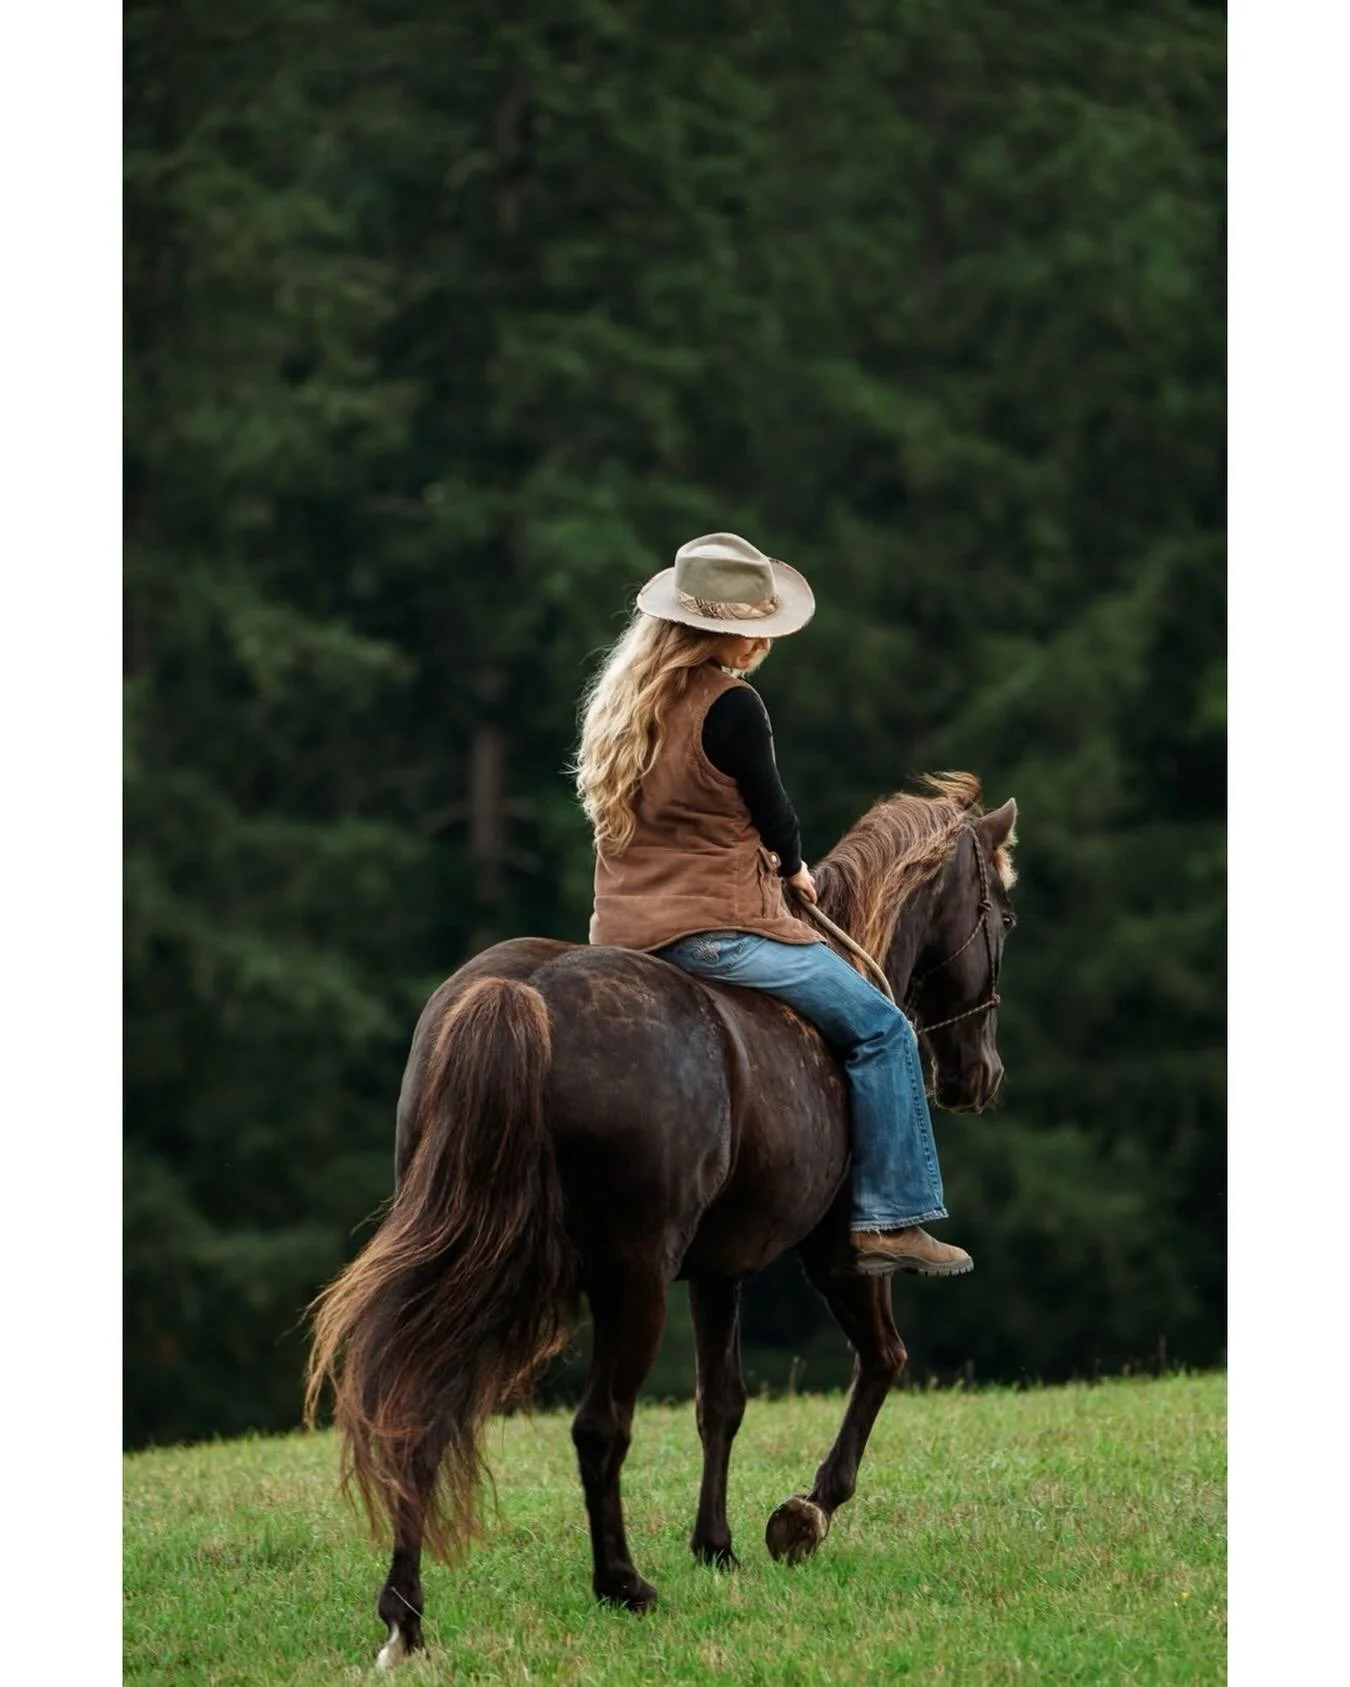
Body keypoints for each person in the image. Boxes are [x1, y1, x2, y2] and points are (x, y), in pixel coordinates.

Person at [573, 532, 971, 1277]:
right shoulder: (732, 706)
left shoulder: (622, 704)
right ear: (734, 631)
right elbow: (775, 814)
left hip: (623, 936)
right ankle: (890, 1219)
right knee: (883, 1026)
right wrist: (795, 868)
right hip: (718, 934)